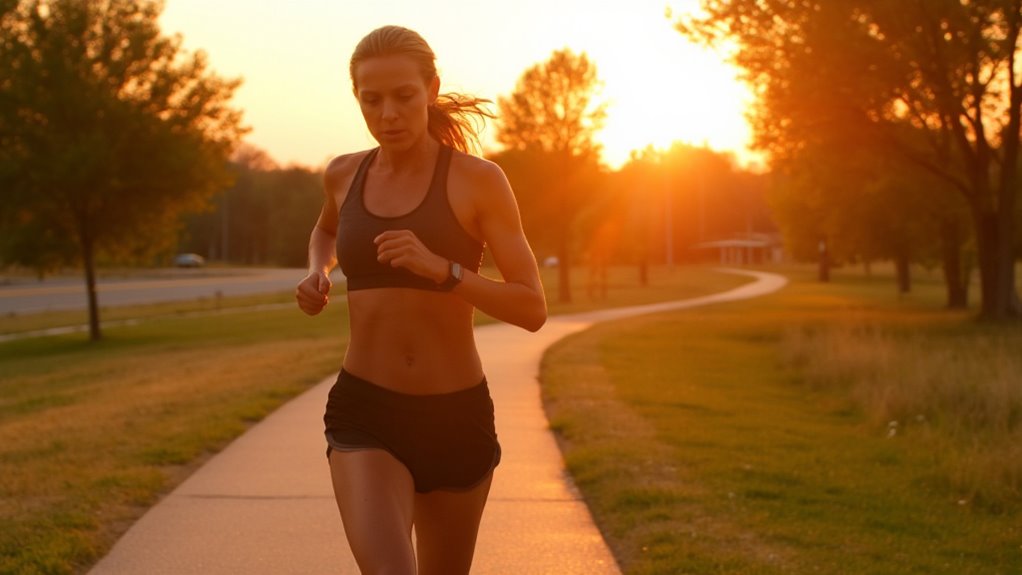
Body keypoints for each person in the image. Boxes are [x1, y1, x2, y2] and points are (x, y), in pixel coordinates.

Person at [295, 25, 547, 575]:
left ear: (430, 89)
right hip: (366, 412)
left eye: (404, 96)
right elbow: (326, 233)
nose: (388, 113)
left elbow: (532, 308)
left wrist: (446, 271)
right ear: (357, 98)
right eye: (372, 99)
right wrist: (318, 273)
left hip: (456, 417)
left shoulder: (479, 181)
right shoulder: (343, 174)